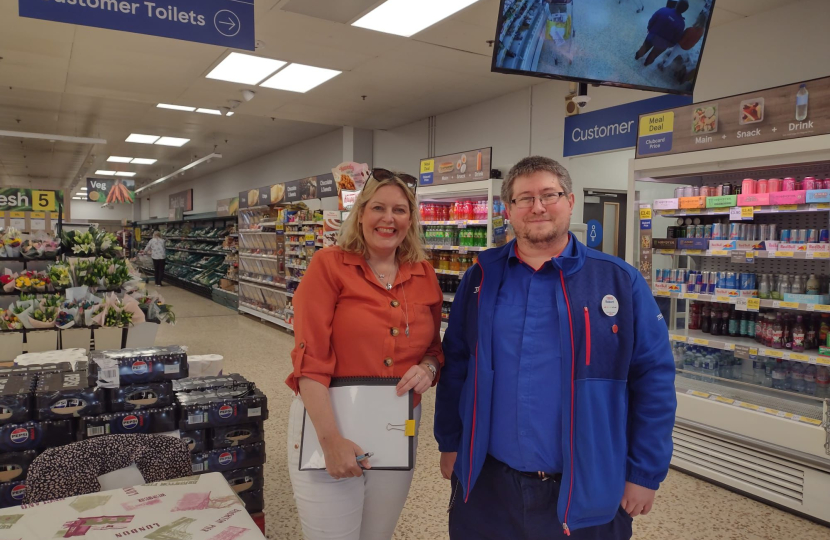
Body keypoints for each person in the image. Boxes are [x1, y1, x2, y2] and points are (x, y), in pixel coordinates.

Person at [435, 156, 676, 539]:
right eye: (524, 198)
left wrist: (644, 473)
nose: (538, 207)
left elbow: (653, 379)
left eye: (550, 194)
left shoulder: (618, 281)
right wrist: (449, 442)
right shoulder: (482, 276)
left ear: (570, 201)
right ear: (508, 210)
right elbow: (458, 364)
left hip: (587, 487)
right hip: (489, 487)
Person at [286, 169, 444, 540]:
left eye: (400, 210)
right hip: (329, 424)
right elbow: (309, 362)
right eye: (378, 208)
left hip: (397, 426)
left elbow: (435, 349)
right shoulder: (329, 265)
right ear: (360, 214)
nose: (389, 219)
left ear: (411, 219)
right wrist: (331, 442)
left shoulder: (424, 274)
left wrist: (428, 368)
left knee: (378, 535)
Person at [635, 0, 689, 67]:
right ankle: (646, 63)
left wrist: (649, 28)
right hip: (663, 43)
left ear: (677, 4)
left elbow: (652, 20)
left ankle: (637, 56)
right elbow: (676, 37)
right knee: (654, 54)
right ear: (684, 11)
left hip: (653, 35)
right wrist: (670, 44)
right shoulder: (681, 24)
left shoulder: (663, 10)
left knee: (644, 47)